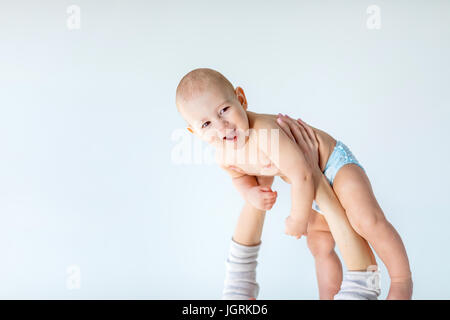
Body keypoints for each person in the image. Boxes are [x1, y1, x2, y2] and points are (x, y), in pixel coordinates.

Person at [175, 68, 412, 299]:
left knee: (366, 220)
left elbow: (304, 175)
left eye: (224, 110)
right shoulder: (223, 155)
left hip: (333, 166)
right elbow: (238, 175)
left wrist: (298, 219)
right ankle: (328, 294)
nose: (221, 126)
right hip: (314, 193)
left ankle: (402, 280)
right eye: (205, 124)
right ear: (194, 133)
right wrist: (251, 192)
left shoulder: (265, 132)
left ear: (241, 99)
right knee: (319, 243)